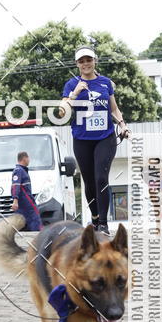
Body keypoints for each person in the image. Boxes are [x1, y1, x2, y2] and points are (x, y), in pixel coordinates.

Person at [60, 46, 129, 236]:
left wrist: (122, 125)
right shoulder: (70, 84)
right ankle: (96, 218)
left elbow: (113, 109)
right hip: (82, 139)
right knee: (89, 182)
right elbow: (61, 112)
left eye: (88, 60)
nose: (85, 64)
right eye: (81, 61)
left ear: (94, 61)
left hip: (105, 137)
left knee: (101, 178)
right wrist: (74, 94)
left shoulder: (106, 83)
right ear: (77, 64)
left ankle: (104, 224)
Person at [10, 152, 42, 231]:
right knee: (35, 218)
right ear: (24, 158)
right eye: (28, 158)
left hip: (24, 202)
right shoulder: (19, 171)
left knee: (22, 223)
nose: (29, 160)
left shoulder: (22, 171)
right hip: (26, 201)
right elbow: (15, 185)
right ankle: (37, 237)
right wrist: (15, 201)